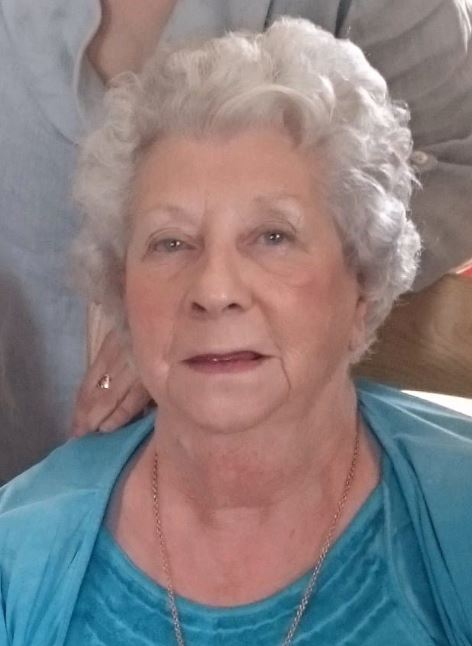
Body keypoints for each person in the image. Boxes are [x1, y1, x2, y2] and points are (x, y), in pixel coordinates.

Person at [1, 19, 472, 645]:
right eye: (171, 243)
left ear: (361, 286)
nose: (214, 289)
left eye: (273, 236)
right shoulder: (17, 554)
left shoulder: (457, 516)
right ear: (121, 293)